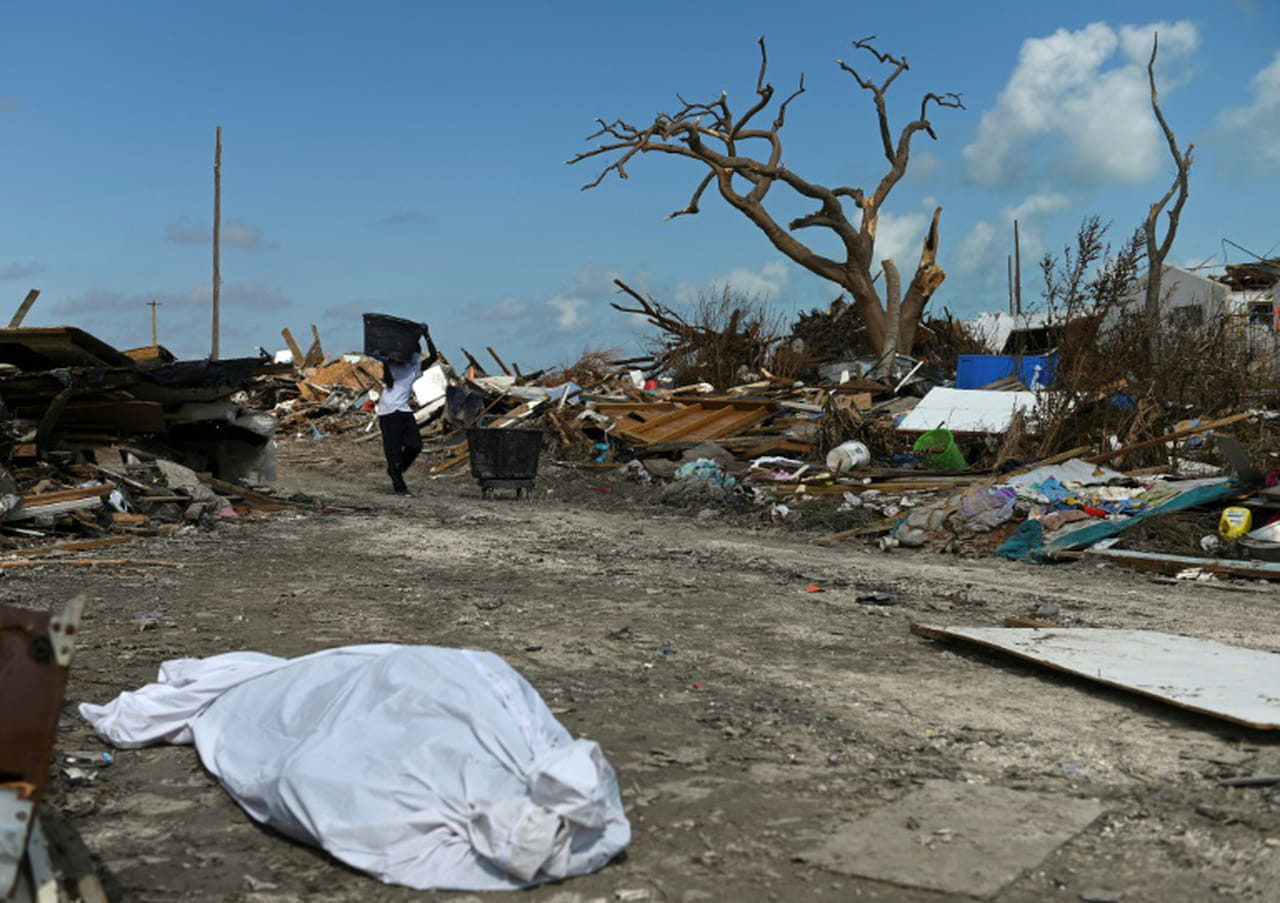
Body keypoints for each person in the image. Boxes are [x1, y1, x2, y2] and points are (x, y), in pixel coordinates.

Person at [376, 327, 439, 496]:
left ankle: (397, 469)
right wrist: (384, 360)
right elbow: (388, 381)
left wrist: (427, 337)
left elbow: (434, 357)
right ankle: (399, 485)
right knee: (393, 450)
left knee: (415, 445)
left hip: (403, 409)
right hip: (388, 410)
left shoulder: (414, 368)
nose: (416, 355)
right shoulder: (391, 365)